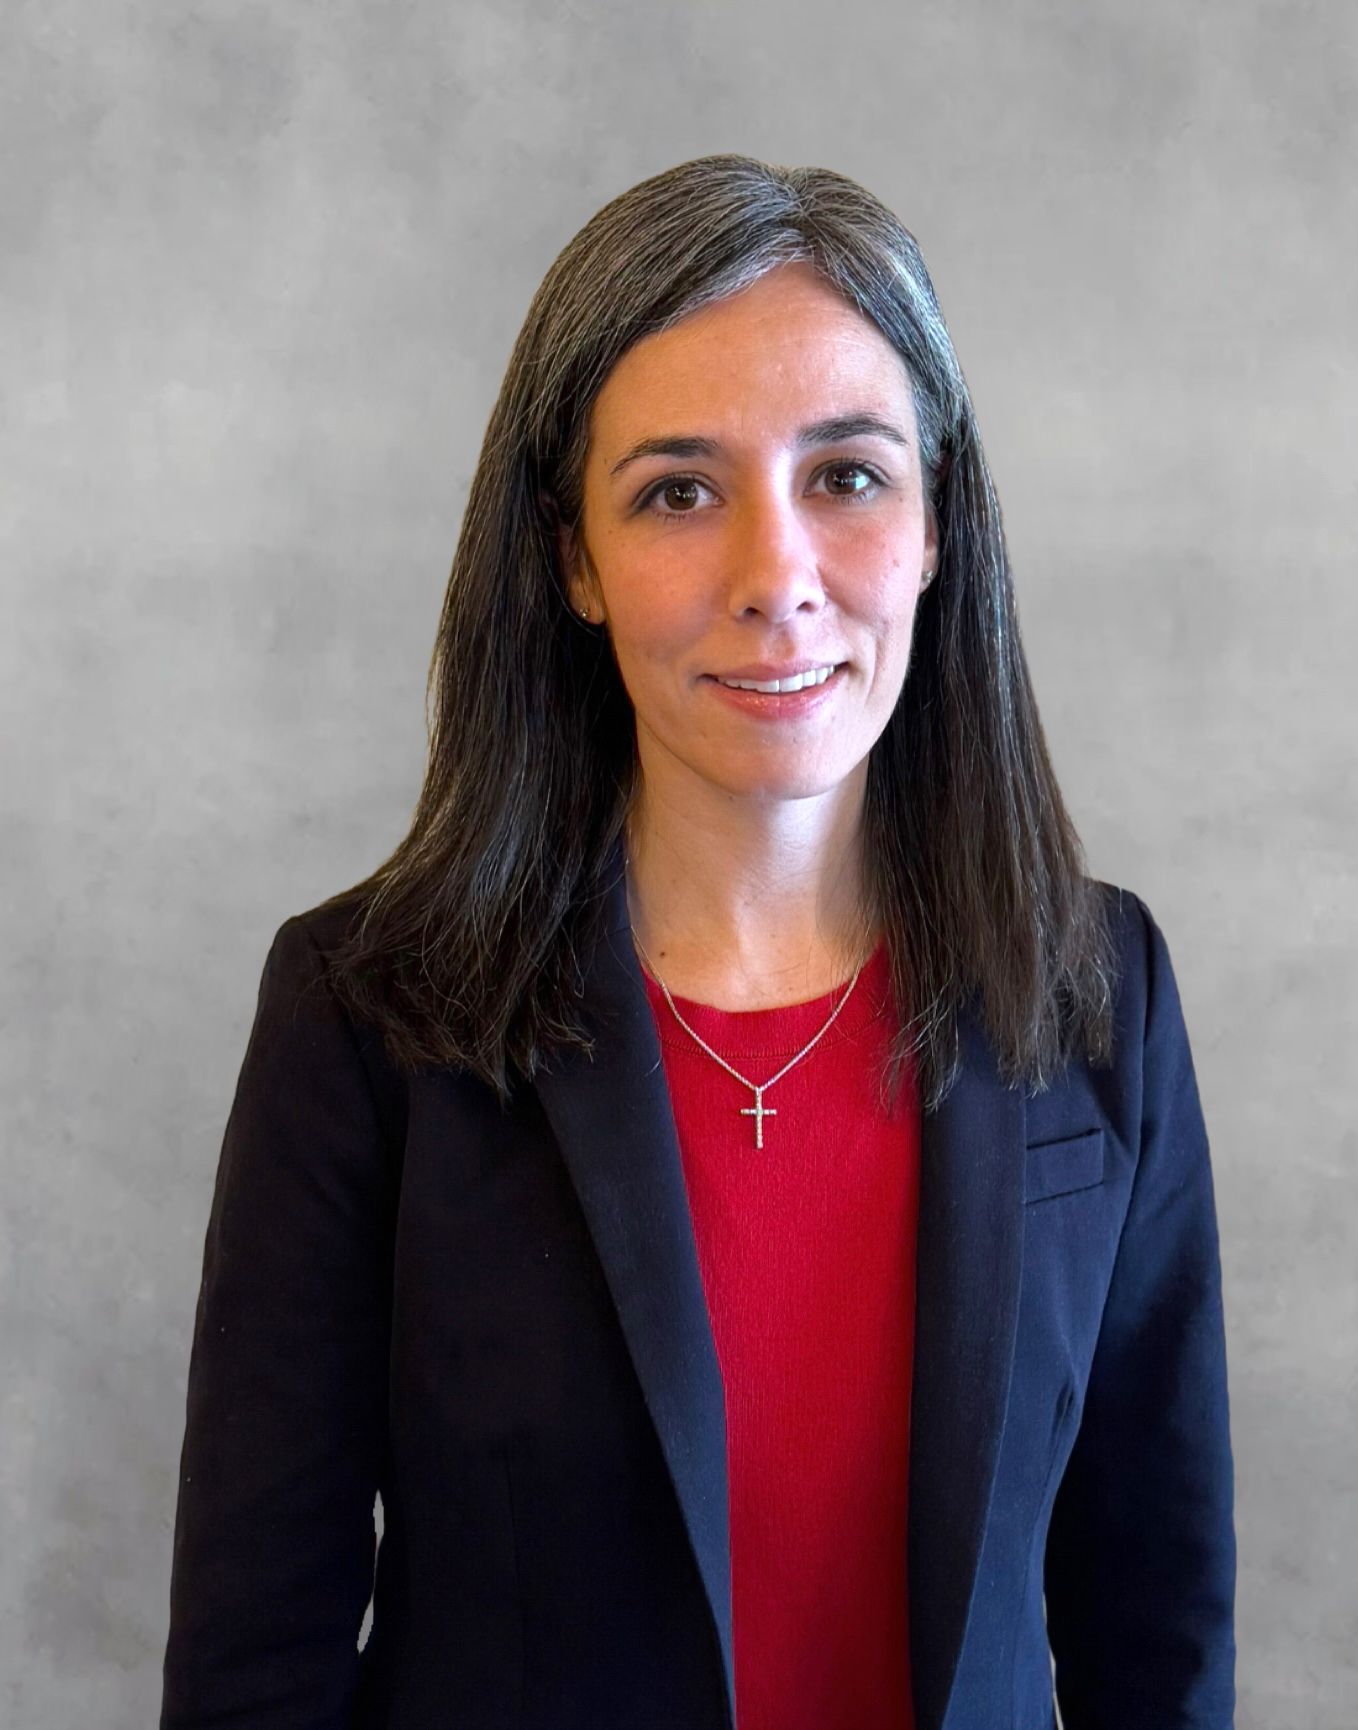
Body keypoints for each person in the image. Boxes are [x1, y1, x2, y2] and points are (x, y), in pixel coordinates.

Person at [159, 154, 1237, 1730]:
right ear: (573, 560)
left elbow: (1162, 1635)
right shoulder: (366, 1015)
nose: (774, 579)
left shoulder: (1098, 990)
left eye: (846, 476)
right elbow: (256, 1659)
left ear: (940, 522)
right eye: (678, 491)